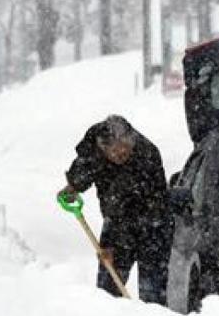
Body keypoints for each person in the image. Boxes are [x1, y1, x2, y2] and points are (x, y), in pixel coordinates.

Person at [60, 115, 171, 304]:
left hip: (152, 224)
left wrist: (112, 243)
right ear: (103, 149)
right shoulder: (94, 150)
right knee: (107, 290)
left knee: (153, 292)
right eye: (116, 153)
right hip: (117, 221)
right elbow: (83, 170)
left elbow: (147, 203)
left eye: (126, 151)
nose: (122, 156)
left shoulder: (147, 155)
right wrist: (72, 187)